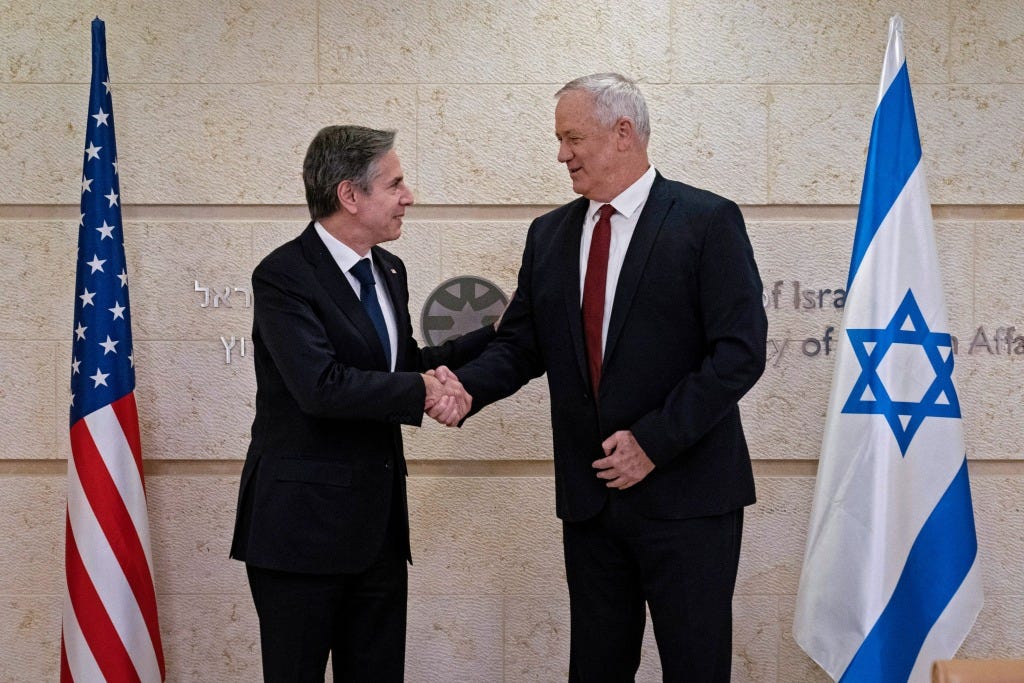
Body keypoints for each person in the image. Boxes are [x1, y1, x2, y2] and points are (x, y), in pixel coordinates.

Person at [433, 74, 768, 681]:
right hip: (592, 505)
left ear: (622, 133)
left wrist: (653, 443)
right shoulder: (550, 234)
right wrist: (469, 388)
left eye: (572, 138)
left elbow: (739, 353)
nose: (562, 154)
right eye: (560, 140)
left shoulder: (707, 220)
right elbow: (522, 344)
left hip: (688, 501)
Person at [230, 125, 490, 682]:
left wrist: (499, 332)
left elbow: (399, 366)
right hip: (300, 536)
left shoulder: (388, 269)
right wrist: (423, 392)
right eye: (395, 184)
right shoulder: (283, 275)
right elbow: (320, 387)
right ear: (351, 196)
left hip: (377, 535)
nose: (408, 197)